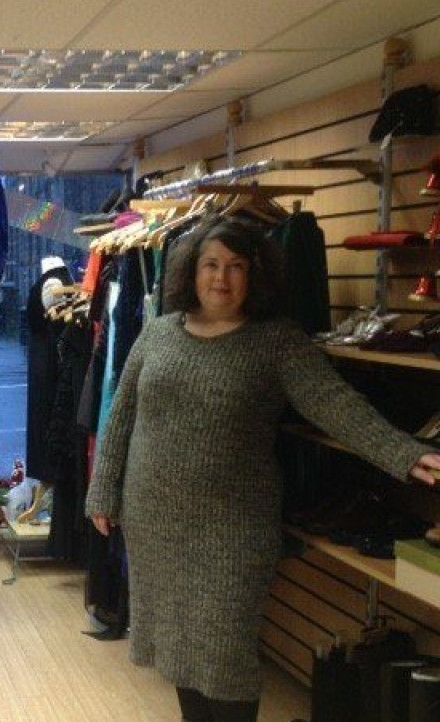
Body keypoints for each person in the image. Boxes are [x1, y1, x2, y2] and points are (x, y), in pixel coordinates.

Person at [84, 216, 440, 722]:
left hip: (233, 528)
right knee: (183, 651)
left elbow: (333, 404)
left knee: (225, 654)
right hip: (154, 522)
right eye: (211, 265)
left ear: (256, 275)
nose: (221, 279)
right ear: (192, 271)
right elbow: (121, 412)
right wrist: (102, 490)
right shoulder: (159, 332)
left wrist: (404, 452)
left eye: (236, 266)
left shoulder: (275, 342)